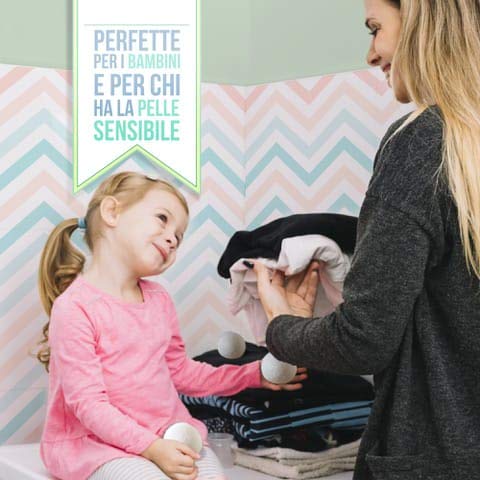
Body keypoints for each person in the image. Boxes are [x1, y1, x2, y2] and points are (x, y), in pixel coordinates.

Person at [251, 0, 480, 479]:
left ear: (421, 19)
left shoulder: (423, 142)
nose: (371, 54)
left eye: (375, 29)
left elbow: (362, 341)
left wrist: (280, 324)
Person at [36, 171, 306, 480]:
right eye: (162, 218)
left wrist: (253, 374)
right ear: (112, 212)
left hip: (166, 434)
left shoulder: (158, 299)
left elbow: (181, 372)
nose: (172, 239)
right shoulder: (74, 307)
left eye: (179, 236)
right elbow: (88, 404)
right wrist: (151, 448)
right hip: (95, 444)